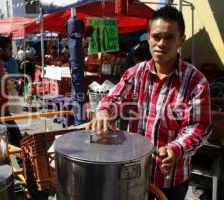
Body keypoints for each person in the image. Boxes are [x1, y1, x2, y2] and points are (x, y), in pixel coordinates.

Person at [87, 6, 211, 200]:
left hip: (171, 177)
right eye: (156, 36)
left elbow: (198, 127)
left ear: (181, 40)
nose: (161, 43)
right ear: (149, 37)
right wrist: (104, 111)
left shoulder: (196, 81)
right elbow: (114, 98)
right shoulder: (136, 73)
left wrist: (175, 148)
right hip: (133, 172)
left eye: (169, 37)